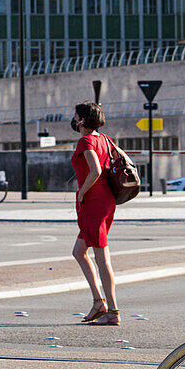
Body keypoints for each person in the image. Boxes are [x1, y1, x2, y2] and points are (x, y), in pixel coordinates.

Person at [70, 101, 119, 325]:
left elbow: (96, 170)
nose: (73, 119)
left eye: (75, 115)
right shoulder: (105, 139)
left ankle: (113, 311)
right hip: (106, 201)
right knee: (79, 252)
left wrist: (82, 192)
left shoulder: (86, 141)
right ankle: (99, 302)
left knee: (102, 259)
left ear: (82, 120)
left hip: (94, 203)